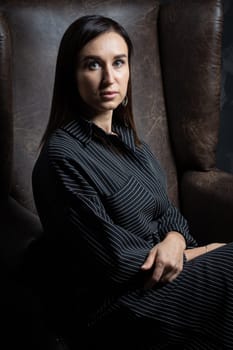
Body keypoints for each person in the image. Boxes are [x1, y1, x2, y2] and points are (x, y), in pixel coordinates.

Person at [31, 14, 233, 349]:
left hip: (166, 278)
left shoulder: (131, 140)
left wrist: (175, 241)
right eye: (93, 65)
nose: (109, 78)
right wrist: (204, 250)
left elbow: (169, 214)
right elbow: (117, 263)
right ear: (71, 74)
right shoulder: (61, 159)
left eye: (119, 63)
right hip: (118, 307)